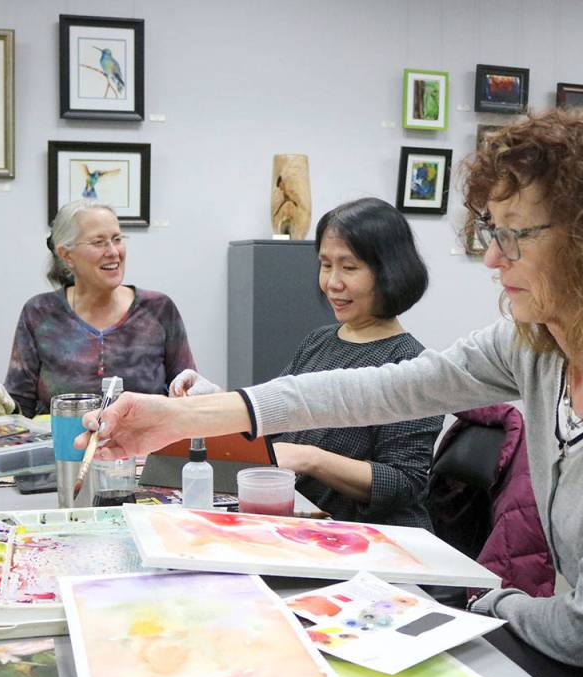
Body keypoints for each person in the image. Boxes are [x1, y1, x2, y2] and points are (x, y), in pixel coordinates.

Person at [76, 108, 583, 677]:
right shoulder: (540, 346)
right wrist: (179, 417)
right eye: (491, 233)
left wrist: (472, 592)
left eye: (514, 237)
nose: (493, 258)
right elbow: (379, 389)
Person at [171, 198, 442, 528]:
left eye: (350, 267)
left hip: (373, 542)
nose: (332, 283)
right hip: (307, 525)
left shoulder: (414, 364)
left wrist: (309, 459)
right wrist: (215, 400)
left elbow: (404, 483)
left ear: (389, 271)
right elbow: (275, 423)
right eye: (326, 265)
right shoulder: (319, 341)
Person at [0, 199, 196, 417]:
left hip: (146, 449)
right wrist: (3, 407)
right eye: (98, 242)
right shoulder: (39, 312)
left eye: (117, 239)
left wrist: (199, 395)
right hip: (63, 449)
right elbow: (21, 406)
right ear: (66, 255)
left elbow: (185, 395)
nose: (113, 251)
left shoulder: (158, 309)